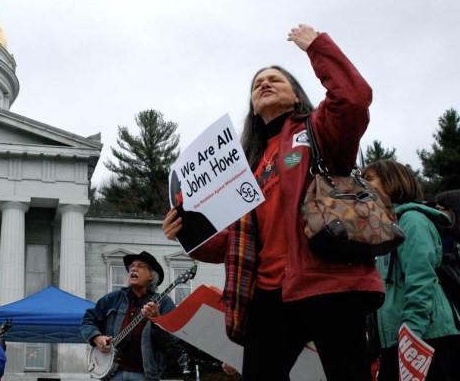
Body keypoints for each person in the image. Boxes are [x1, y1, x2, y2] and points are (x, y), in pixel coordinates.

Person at [163, 24, 384, 380]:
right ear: (252, 105)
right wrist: (186, 235)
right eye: (256, 84)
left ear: (296, 96)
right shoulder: (243, 167)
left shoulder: (319, 130)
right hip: (269, 292)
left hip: (329, 282)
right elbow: (233, 243)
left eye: (275, 80)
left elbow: (354, 99)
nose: (264, 84)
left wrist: (318, 48)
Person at [362, 160, 460, 381]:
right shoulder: (385, 228)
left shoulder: (412, 221)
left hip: (424, 338)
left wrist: (412, 335)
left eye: (368, 179)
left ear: (392, 182)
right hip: (397, 341)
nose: (361, 185)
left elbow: (421, 279)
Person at [81, 251, 176, 381]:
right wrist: (97, 338)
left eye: (140, 266)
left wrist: (156, 319)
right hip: (112, 374)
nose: (133, 268)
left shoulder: (164, 303)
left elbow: (170, 340)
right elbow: (88, 320)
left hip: (146, 375)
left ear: (152, 277)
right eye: (132, 266)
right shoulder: (113, 298)